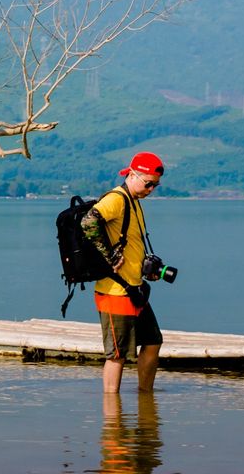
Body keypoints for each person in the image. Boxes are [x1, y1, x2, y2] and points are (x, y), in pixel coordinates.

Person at [81, 151, 166, 392]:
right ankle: (112, 422)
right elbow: (89, 221)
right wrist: (108, 255)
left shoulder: (134, 202)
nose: (151, 189)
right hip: (114, 290)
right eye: (148, 183)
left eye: (155, 186)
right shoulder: (117, 199)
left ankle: (145, 398)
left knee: (153, 342)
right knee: (116, 355)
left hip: (135, 288)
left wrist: (146, 269)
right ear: (132, 175)